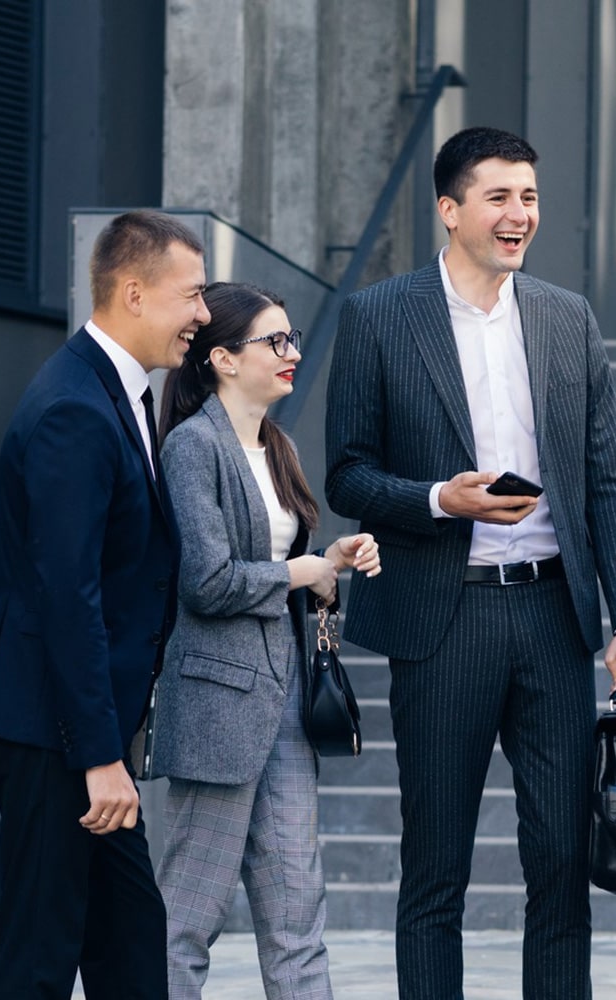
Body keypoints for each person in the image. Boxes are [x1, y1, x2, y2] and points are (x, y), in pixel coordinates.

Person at [324, 126, 616, 1000]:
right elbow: (348, 471)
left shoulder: (564, 317)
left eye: (531, 198)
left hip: (553, 617)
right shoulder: (379, 315)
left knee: (560, 861)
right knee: (436, 868)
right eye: (500, 197)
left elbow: (607, 479)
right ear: (449, 209)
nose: (520, 216)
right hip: (444, 617)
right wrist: (443, 499)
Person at [0, 209, 210, 999]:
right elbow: (69, 595)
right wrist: (101, 756)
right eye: (192, 296)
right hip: (54, 736)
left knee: (131, 944)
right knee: (42, 952)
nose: (203, 316)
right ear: (133, 294)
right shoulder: (75, 407)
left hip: (81, 729)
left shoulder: (116, 391)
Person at [150, 281, 380, 1000]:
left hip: (282, 700)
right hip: (216, 706)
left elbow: (281, 570)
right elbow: (206, 581)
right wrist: (295, 570)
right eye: (274, 342)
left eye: (292, 340)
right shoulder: (193, 448)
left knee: (297, 915)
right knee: (187, 918)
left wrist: (329, 567)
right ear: (221, 357)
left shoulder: (277, 445)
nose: (292, 354)